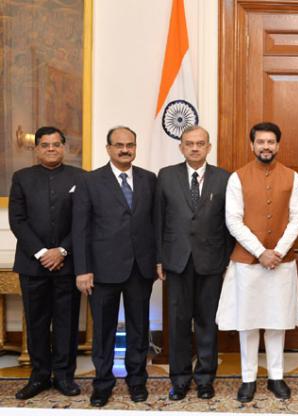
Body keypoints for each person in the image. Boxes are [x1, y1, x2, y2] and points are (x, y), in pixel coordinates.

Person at [215, 121, 298, 402]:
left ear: (278, 145)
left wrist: (277, 251)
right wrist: (260, 251)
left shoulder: (292, 177)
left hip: (281, 262)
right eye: (261, 142)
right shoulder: (237, 178)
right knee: (249, 322)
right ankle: (248, 378)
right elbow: (233, 220)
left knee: (277, 321)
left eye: (271, 142)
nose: (266, 146)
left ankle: (276, 377)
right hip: (247, 262)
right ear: (252, 145)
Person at [72, 126, 157, 407]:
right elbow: (80, 229)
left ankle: (137, 381)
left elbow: (155, 223)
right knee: (103, 331)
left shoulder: (149, 179)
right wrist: (82, 269)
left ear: (135, 148)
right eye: (119, 145)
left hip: (140, 269)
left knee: (139, 329)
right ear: (108, 148)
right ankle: (103, 384)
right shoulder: (90, 181)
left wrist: (157, 260)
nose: (125, 150)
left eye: (130, 145)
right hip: (102, 270)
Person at [154, 125, 232, 401]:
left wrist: (227, 260)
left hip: (211, 261)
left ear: (209, 147)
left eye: (200, 143)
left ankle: (205, 379)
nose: (195, 148)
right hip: (176, 261)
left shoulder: (224, 178)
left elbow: (229, 223)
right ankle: (180, 379)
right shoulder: (166, 176)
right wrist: (159, 258)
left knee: (207, 322)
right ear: (181, 147)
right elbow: (158, 220)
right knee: (178, 323)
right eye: (189, 143)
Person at [8, 127, 85, 400]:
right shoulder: (21, 178)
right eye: (45, 144)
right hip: (32, 265)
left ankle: (64, 376)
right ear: (36, 149)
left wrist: (62, 250)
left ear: (64, 147)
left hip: (68, 263)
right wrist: (42, 252)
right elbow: (17, 220)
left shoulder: (80, 177)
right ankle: (39, 376)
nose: (51, 148)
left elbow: (83, 220)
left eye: (56, 144)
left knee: (66, 322)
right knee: (36, 322)